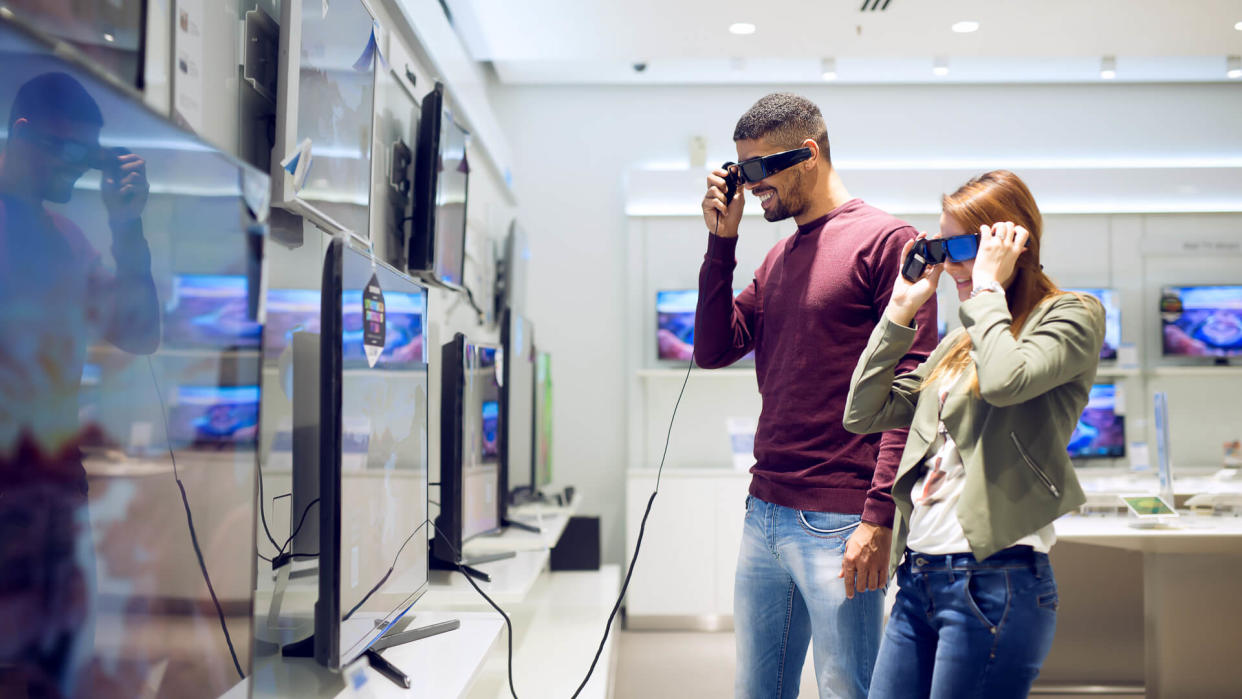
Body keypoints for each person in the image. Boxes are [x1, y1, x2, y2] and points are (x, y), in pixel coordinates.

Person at [697, 93, 937, 699]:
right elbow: (713, 348)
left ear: (808, 154)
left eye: (758, 169)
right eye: (738, 172)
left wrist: (879, 515)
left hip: (840, 518)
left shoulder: (887, 241)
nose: (749, 187)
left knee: (847, 692)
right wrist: (720, 246)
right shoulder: (779, 255)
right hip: (765, 512)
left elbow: (911, 390)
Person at [842, 170, 1106, 698]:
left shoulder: (1071, 315)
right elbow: (863, 412)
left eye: (963, 246)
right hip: (919, 577)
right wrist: (900, 309)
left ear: (1011, 242)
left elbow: (1008, 381)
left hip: (994, 579)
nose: (951, 265)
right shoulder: (963, 339)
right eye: (940, 248)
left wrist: (985, 286)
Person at [0, 71, 157, 696]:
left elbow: (140, 334)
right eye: (67, 152)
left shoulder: (68, 240)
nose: (77, 171)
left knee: (55, 671)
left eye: (86, 158)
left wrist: (128, 229)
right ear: (22, 134)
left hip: (55, 498)